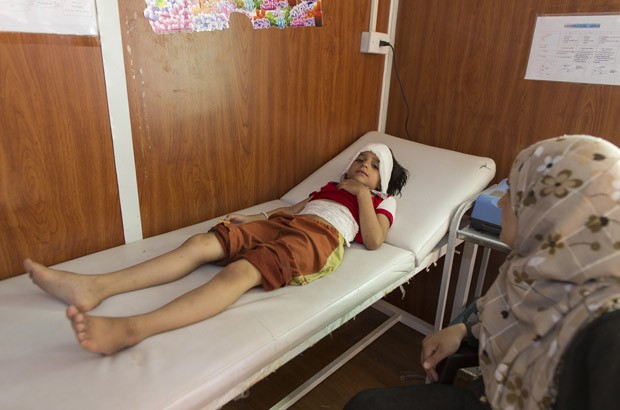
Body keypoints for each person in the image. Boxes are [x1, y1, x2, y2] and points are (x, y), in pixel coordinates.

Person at [24, 143, 409, 356]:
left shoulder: (379, 201)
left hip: (320, 238)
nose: (363, 165)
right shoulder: (328, 186)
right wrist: (253, 218)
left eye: (374, 165)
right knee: (204, 242)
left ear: (382, 181)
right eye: (361, 158)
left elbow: (374, 240)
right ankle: (96, 287)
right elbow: (292, 209)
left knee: (240, 271)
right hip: (289, 223)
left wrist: (361, 195)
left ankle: (132, 329)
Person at [345, 135, 620, 410]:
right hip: (496, 391)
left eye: (513, 193)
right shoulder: (532, 269)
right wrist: (463, 331)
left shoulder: (608, 330)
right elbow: (509, 316)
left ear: (553, 208)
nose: (500, 203)